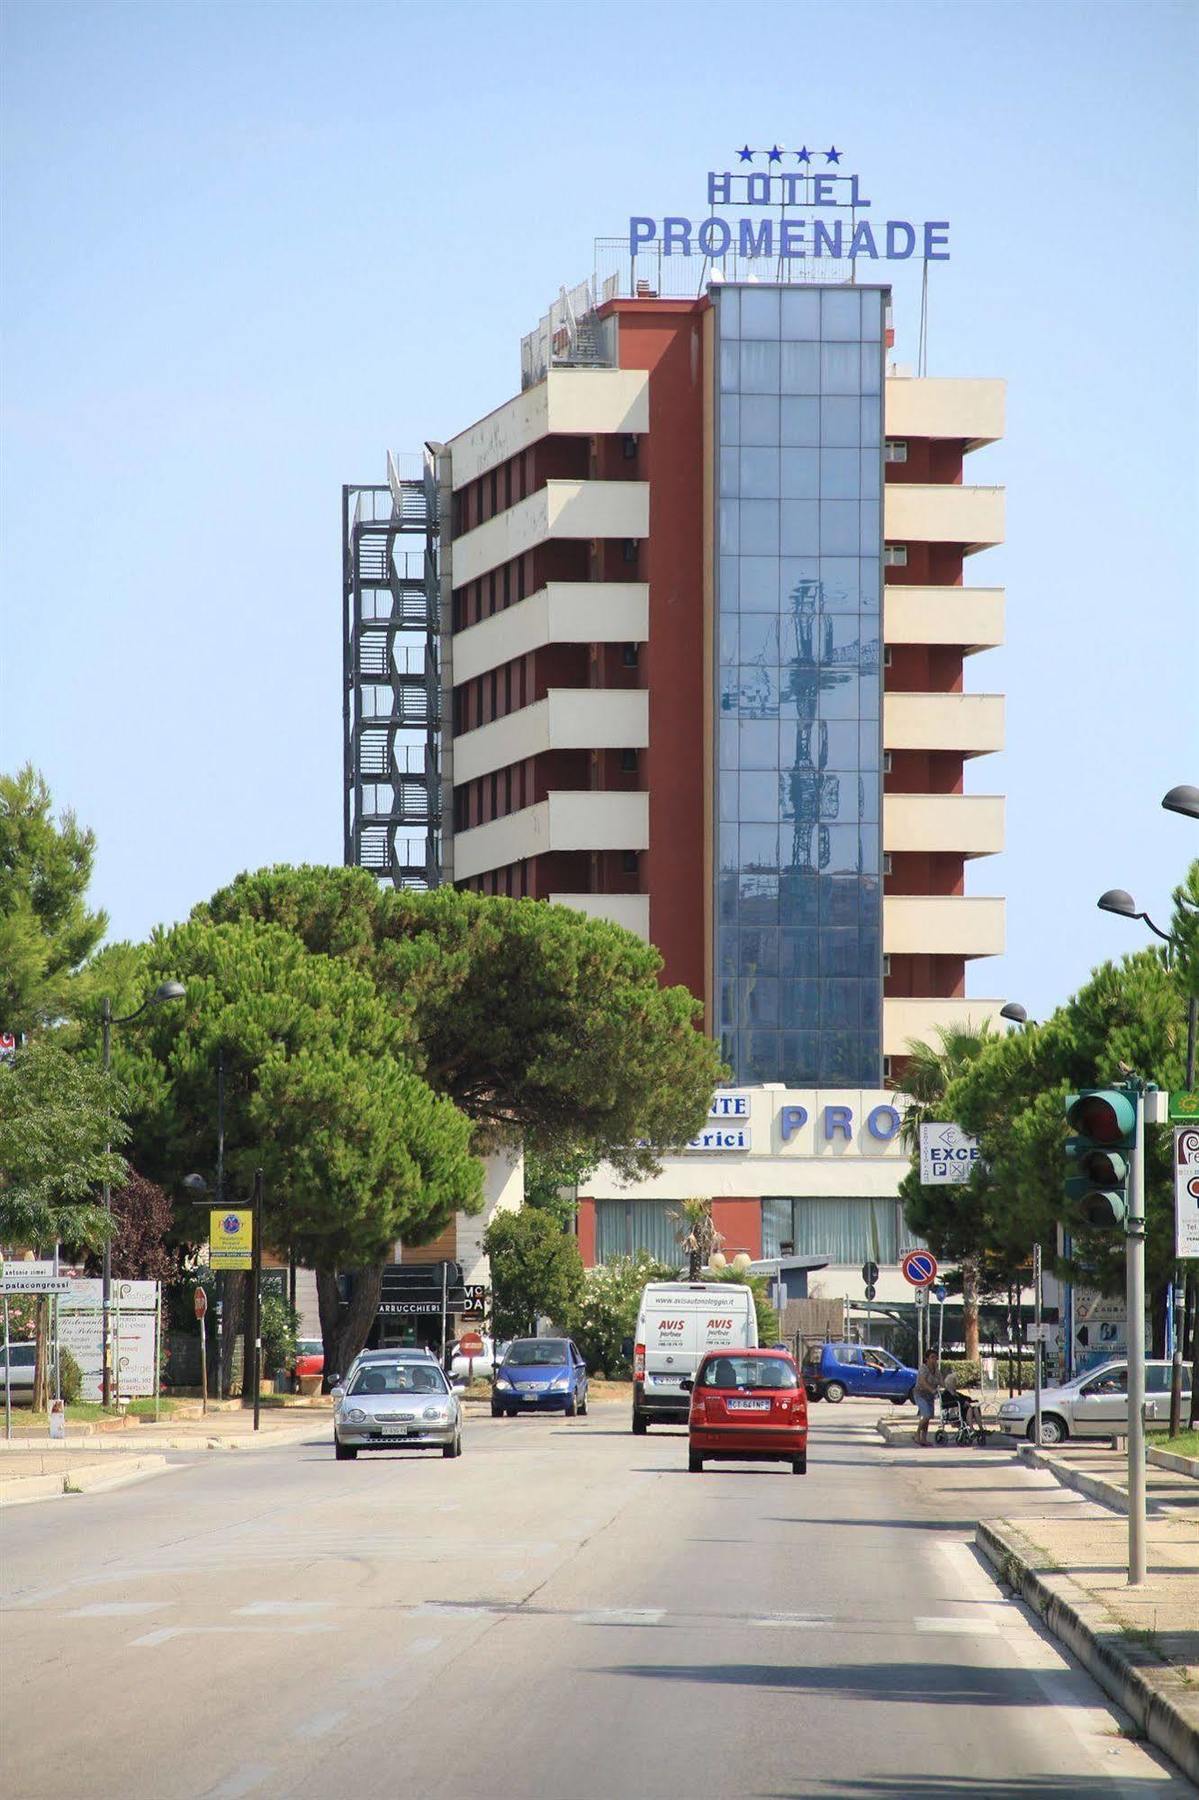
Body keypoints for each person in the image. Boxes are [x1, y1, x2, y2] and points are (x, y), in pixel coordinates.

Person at [913, 1350, 939, 1446]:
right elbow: (922, 1381)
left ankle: (924, 1438)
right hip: (920, 1394)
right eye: (932, 1357)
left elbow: (940, 1380)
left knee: (928, 1418)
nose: (934, 1359)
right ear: (926, 1359)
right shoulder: (923, 1368)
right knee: (926, 1415)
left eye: (935, 1357)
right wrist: (931, 1389)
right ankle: (917, 1434)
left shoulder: (936, 1369)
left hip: (930, 1396)